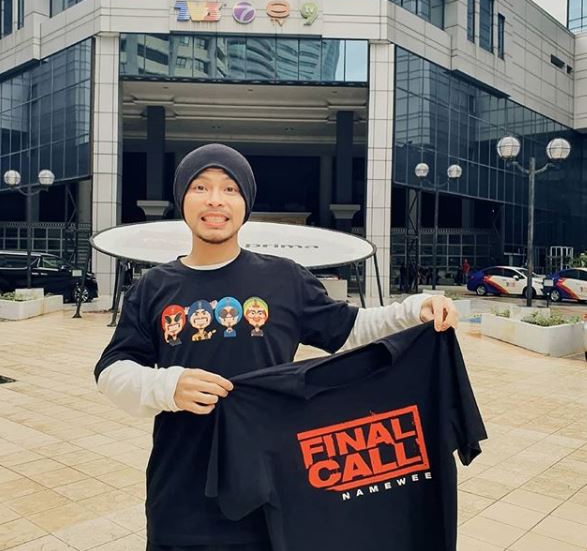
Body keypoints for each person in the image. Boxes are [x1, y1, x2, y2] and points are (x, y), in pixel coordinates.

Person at [94, 144, 459, 551]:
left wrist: (414, 310)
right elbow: (111, 370)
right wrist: (168, 386)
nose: (215, 200)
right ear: (183, 199)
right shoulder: (153, 287)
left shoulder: (284, 280)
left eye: (230, 189)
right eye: (200, 187)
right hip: (180, 498)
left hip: (272, 498)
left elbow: (352, 329)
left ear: (246, 203)